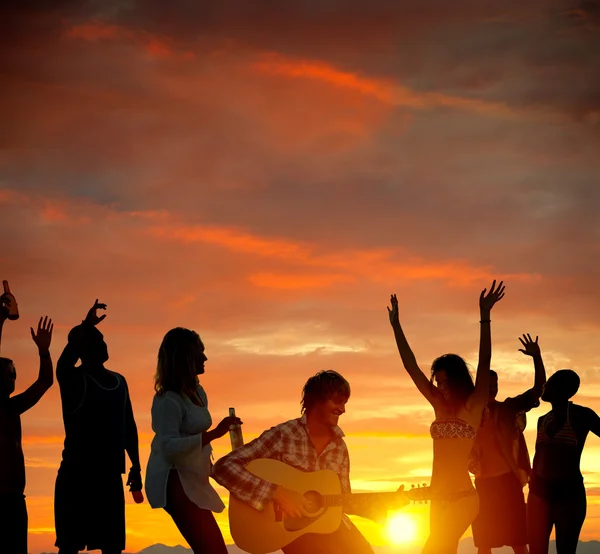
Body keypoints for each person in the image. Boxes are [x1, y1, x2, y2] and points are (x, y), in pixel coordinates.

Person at [387, 280, 505, 554]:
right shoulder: (438, 404)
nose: (439, 387)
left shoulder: (474, 405)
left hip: (463, 498)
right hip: (437, 497)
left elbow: (485, 360)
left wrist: (485, 316)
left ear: (457, 379)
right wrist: (396, 326)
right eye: (437, 382)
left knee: (433, 548)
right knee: (445, 548)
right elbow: (410, 366)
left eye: (443, 381)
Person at [212, 370, 386, 554]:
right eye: (337, 401)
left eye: (344, 403)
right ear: (316, 400)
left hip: (327, 527)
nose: (342, 409)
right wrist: (277, 492)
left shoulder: (339, 448)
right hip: (291, 530)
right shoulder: (283, 435)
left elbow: (342, 501)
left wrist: (376, 507)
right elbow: (223, 467)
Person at [54, 300, 142, 554]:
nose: (103, 344)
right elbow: (63, 363)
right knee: (69, 546)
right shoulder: (74, 380)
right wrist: (85, 326)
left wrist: (135, 466)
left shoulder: (119, 381)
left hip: (109, 478)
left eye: (103, 339)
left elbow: (130, 427)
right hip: (76, 477)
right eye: (96, 341)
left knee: (112, 547)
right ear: (83, 348)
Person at [145, 327, 241, 554]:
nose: (205, 358)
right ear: (185, 358)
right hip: (174, 479)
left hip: (193, 476)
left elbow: (196, 441)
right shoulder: (168, 400)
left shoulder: (198, 392)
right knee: (213, 550)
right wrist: (214, 434)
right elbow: (168, 446)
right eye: (199, 352)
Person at [469, 334, 546, 554]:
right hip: (482, 485)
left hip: (508, 483)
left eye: (495, 384)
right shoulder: (469, 415)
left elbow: (538, 389)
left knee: (518, 541)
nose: (492, 388)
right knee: (484, 544)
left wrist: (537, 357)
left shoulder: (508, 409)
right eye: (487, 384)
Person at [0, 295, 54, 554]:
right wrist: (1, 319)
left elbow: (44, 383)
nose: (12, 378)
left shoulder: (12, 408)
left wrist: (44, 351)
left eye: (14, 374)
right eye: (8, 374)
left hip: (14, 503)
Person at [527, 368, 600, 554]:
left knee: (566, 550)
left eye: (549, 382)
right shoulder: (542, 420)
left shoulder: (582, 416)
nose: (545, 386)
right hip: (539, 494)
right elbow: (538, 456)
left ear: (563, 389)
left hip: (569, 495)